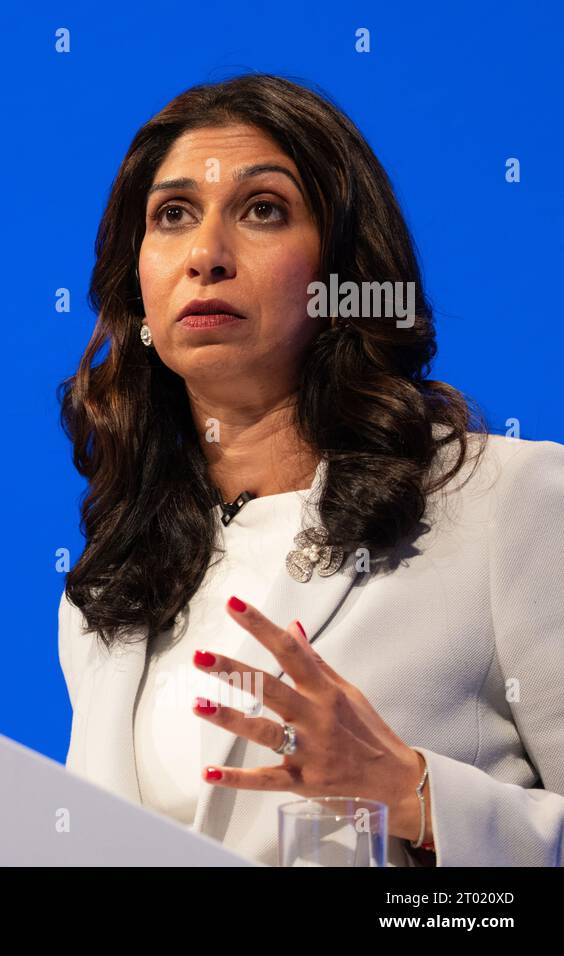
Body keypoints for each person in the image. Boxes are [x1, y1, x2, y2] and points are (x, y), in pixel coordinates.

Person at [57, 72, 564, 866]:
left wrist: (418, 797)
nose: (206, 255)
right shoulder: (106, 596)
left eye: (263, 211)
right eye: (172, 216)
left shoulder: (508, 504)